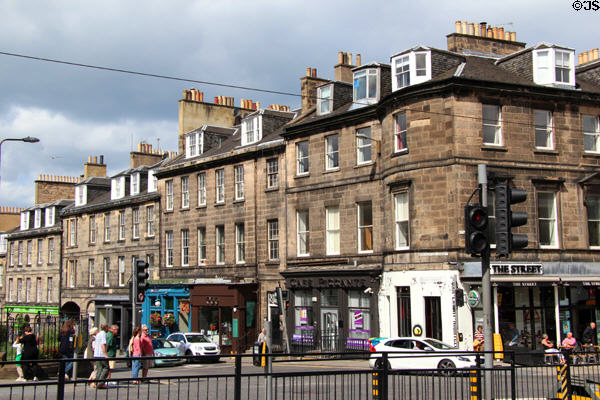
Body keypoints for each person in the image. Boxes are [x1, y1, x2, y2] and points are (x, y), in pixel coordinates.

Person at [93, 324, 110, 389]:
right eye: (108, 327)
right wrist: (105, 354)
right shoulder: (103, 334)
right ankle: (101, 382)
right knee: (106, 368)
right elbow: (103, 344)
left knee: (99, 368)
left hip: (96, 354)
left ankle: (97, 382)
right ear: (106, 328)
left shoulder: (98, 334)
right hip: (101, 354)